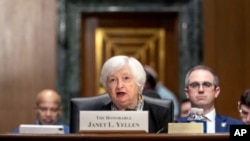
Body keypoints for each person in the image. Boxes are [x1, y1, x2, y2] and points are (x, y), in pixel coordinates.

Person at [99, 55, 171, 133]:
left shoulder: (160, 114)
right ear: (107, 86)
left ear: (138, 82)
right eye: (113, 80)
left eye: (126, 78)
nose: (119, 85)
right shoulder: (97, 116)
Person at [177, 65, 244, 133]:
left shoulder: (237, 126)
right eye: (195, 85)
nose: (201, 90)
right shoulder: (175, 127)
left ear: (216, 92)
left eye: (207, 85)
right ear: (187, 93)